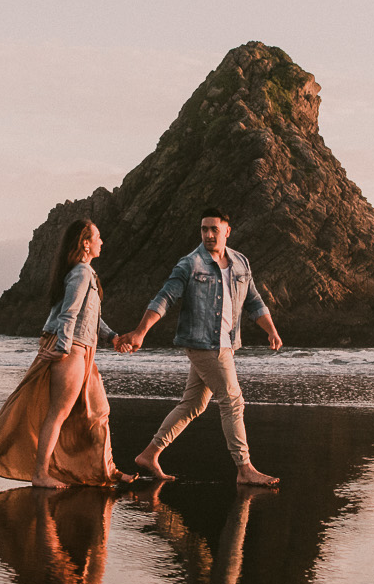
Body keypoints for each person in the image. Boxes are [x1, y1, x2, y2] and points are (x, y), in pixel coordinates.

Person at [115, 208, 282, 485]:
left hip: (226, 344)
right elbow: (165, 298)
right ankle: (244, 468)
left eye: (214, 229)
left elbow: (254, 302)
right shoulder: (190, 264)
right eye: (203, 229)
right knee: (233, 401)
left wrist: (272, 331)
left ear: (227, 231)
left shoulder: (241, 263)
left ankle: (149, 453)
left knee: (193, 404)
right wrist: (141, 331)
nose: (208, 234)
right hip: (203, 344)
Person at [0, 218, 124, 489]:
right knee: (59, 413)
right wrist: (62, 350)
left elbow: (91, 317)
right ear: (85, 243)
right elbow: (68, 313)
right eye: (98, 237)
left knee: (99, 410)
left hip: (83, 349)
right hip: (71, 349)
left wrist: (113, 337)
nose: (101, 242)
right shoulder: (81, 273)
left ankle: (108, 470)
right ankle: (40, 474)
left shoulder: (86, 273)